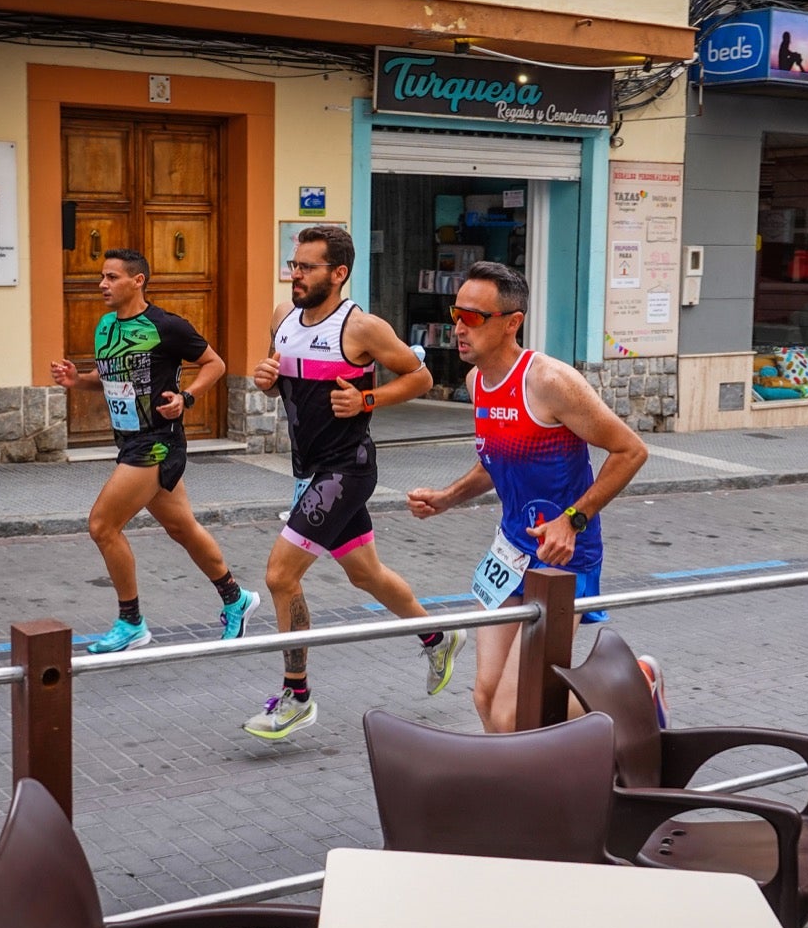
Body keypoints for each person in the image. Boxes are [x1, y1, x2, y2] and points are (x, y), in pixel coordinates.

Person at [244, 225, 465, 741]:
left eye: (305, 267)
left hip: (347, 470)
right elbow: (282, 381)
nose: (294, 275)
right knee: (366, 574)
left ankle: (297, 698)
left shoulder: (361, 328)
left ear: (338, 273)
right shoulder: (282, 317)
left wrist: (368, 400)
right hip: (310, 472)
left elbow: (420, 377)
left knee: (280, 576)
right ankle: (437, 637)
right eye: (293, 265)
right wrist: (267, 380)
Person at [407, 261, 648, 733]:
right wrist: (447, 497)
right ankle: (515, 796)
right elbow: (495, 462)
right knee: (484, 699)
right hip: (510, 552)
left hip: (561, 559)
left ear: (512, 322)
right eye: (456, 313)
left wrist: (573, 520)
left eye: (474, 317)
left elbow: (630, 451)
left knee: (512, 712)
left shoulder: (550, 382)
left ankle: (634, 687)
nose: (458, 328)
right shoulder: (478, 383)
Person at [48, 248, 260, 654]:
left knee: (102, 526)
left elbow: (215, 363)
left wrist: (188, 398)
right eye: (102, 277)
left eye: (111, 277)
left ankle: (131, 622)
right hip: (129, 440)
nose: (102, 285)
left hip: (157, 441)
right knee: (182, 528)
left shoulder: (166, 326)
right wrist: (78, 380)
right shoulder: (106, 326)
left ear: (137, 280)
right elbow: (109, 379)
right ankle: (236, 598)